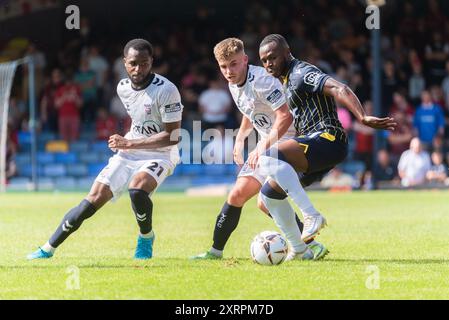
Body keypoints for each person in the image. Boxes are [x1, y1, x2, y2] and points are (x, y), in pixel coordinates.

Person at [27, 39, 183, 260]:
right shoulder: (123, 88)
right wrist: (125, 142)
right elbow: (141, 119)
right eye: (133, 63)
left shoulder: (166, 90)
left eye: (144, 63)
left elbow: (173, 136)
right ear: (124, 63)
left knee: (137, 189)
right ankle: (47, 249)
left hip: (162, 152)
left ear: (152, 62)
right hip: (130, 150)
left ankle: (146, 236)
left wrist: (130, 143)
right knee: (93, 199)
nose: (138, 69)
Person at [257, 34, 396, 259]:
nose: (268, 64)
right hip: (315, 147)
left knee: (268, 156)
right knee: (267, 197)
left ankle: (311, 215)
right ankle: (302, 250)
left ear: (286, 52)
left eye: (272, 57)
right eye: (263, 60)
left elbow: (339, 88)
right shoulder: (286, 80)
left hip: (328, 138)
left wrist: (361, 117)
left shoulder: (301, 73)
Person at [191, 38, 327, 261]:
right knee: (237, 194)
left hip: (290, 144)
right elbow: (250, 110)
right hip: (266, 145)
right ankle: (214, 252)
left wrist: (261, 146)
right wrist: (240, 139)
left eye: (234, 64)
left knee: (265, 202)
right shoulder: (232, 84)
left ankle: (310, 244)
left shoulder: (263, 80)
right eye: (224, 66)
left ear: (245, 60)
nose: (229, 71)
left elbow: (285, 116)